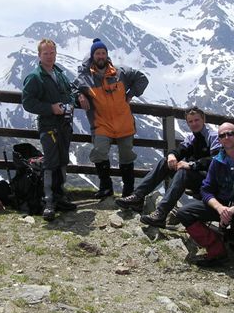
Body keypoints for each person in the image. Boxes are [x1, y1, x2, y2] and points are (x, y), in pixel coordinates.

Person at [168, 122, 234, 280]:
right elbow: (206, 189)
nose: (226, 137)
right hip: (223, 204)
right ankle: (216, 249)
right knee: (184, 213)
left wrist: (231, 210)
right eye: (222, 135)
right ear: (219, 141)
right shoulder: (217, 161)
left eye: (230, 133)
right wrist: (220, 208)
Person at [116, 106, 220, 227]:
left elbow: (215, 160)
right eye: (190, 121)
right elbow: (180, 150)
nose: (194, 124)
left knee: (183, 172)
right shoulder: (191, 138)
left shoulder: (213, 137)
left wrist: (192, 165)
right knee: (165, 162)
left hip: (209, 179)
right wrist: (171, 155)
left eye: (196, 120)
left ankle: (161, 213)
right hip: (194, 176)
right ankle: (138, 197)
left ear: (203, 120)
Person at [75, 38, 149, 199]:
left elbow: (142, 78)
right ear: (92, 56)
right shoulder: (86, 77)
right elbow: (72, 88)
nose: (100, 56)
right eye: (97, 53)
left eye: (103, 53)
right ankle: (106, 187)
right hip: (101, 123)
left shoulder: (121, 72)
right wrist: (80, 94)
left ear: (107, 55)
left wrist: (130, 94)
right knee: (99, 152)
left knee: (127, 156)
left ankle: (128, 192)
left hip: (124, 122)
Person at [22, 38, 82, 221]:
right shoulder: (35, 77)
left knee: (63, 159)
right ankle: (48, 202)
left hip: (64, 125)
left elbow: (70, 93)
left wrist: (71, 102)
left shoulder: (60, 74)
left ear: (56, 53)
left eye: (52, 52)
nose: (49, 56)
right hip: (48, 126)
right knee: (50, 161)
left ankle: (60, 197)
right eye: (46, 53)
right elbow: (27, 102)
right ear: (39, 55)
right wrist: (51, 108)